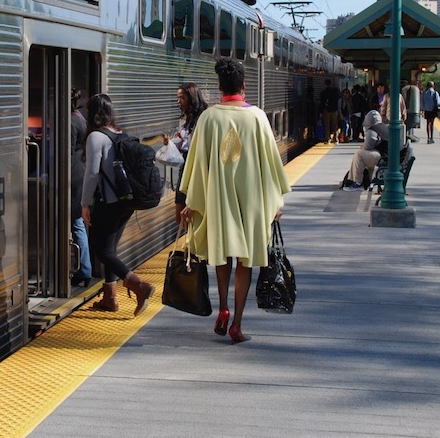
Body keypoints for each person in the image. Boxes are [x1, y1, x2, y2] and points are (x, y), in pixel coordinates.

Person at [180, 58, 291, 344]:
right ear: (244, 86)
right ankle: (237, 324)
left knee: (222, 254)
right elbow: (271, 164)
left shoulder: (208, 118)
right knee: (245, 260)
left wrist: (191, 202)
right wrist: (275, 202)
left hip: (218, 199)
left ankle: (223, 307)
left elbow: (196, 165)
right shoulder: (257, 117)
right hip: (252, 200)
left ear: (219, 88)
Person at [80, 93, 155, 315]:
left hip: (108, 203)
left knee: (101, 251)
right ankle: (109, 298)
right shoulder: (121, 133)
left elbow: (92, 174)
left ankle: (138, 285)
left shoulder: (96, 137)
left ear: (92, 113)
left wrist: (85, 204)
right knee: (110, 250)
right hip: (126, 203)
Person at [163, 83, 208, 224]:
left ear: (192, 98)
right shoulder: (184, 118)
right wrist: (171, 142)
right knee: (180, 214)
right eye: (178, 98)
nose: (179, 101)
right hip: (185, 164)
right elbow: (183, 141)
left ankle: (193, 244)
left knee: (194, 211)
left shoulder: (204, 118)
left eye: (182, 98)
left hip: (198, 165)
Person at [341, 110, 412, 191]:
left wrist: (362, 147)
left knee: (359, 154)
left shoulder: (373, 129)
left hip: (386, 159)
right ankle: (355, 179)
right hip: (393, 157)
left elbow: (368, 146)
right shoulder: (383, 127)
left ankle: (357, 182)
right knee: (362, 155)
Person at [69, 88, 92, 287]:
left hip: (72, 173)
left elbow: (64, 151)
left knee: (76, 222)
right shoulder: (80, 118)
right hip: (79, 171)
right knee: (77, 221)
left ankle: (84, 269)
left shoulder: (70, 121)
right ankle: (83, 268)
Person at [319, 79, 340, 144]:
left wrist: (320, 112)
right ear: (331, 84)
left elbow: (322, 103)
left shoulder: (323, 93)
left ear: (325, 84)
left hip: (326, 110)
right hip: (335, 110)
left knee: (326, 125)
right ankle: (335, 138)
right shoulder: (335, 91)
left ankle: (327, 139)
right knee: (335, 124)